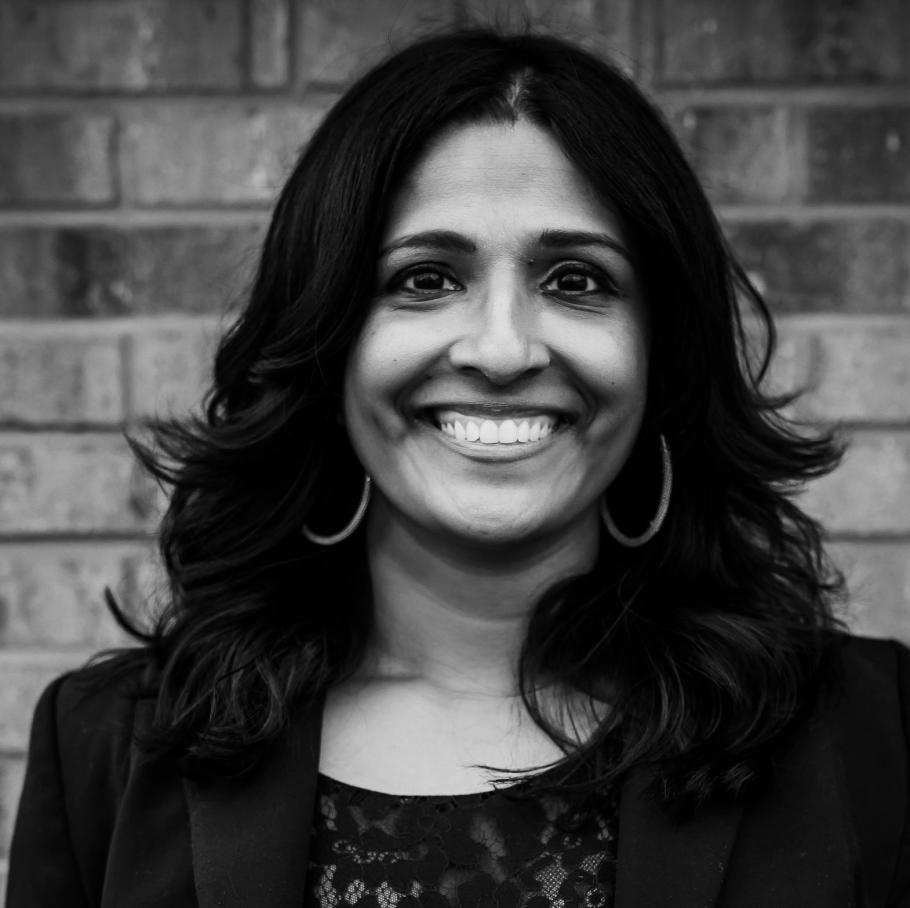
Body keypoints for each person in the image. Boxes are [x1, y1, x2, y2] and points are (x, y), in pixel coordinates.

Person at [8, 27, 909, 908]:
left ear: (661, 353)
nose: (503, 348)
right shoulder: (109, 749)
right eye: (426, 279)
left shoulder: (874, 736)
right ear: (326, 343)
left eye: (576, 280)